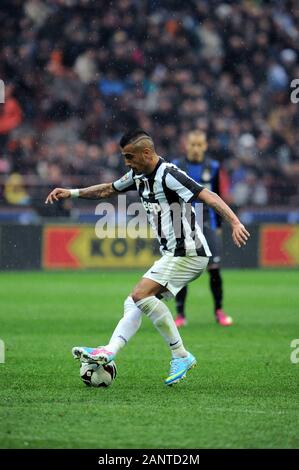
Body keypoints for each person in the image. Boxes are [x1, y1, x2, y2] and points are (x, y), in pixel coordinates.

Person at [45, 129, 249, 386]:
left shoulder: (170, 174)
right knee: (134, 302)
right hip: (174, 253)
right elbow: (108, 190)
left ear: (146, 153)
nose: (127, 163)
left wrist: (234, 222)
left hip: (189, 251)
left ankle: (181, 355)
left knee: (141, 295)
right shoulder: (137, 175)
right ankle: (109, 351)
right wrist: (72, 193)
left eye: (130, 157)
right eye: (124, 157)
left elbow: (208, 195)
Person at [172, 130, 233, 327]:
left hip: (207, 221)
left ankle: (219, 311)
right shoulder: (176, 166)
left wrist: (220, 225)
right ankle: (180, 314)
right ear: (186, 146)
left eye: (200, 145)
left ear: (205, 146)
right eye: (193, 145)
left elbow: (217, 197)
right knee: (182, 268)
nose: (196, 149)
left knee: (214, 268)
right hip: (182, 220)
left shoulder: (213, 167)